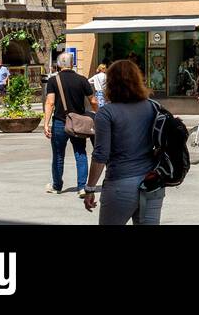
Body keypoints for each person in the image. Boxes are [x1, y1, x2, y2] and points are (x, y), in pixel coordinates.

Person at [83, 59, 165, 225]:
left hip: (120, 184)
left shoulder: (106, 113)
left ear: (110, 83)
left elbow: (101, 155)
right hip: (152, 182)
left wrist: (90, 188)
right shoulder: (153, 107)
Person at [42, 52, 96, 196]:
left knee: (58, 155)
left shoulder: (54, 80)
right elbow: (93, 101)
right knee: (80, 153)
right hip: (78, 123)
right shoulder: (82, 80)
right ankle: (82, 187)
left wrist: (46, 123)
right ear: (72, 64)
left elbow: (50, 102)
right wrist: (100, 114)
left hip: (60, 122)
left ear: (59, 65)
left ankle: (57, 186)